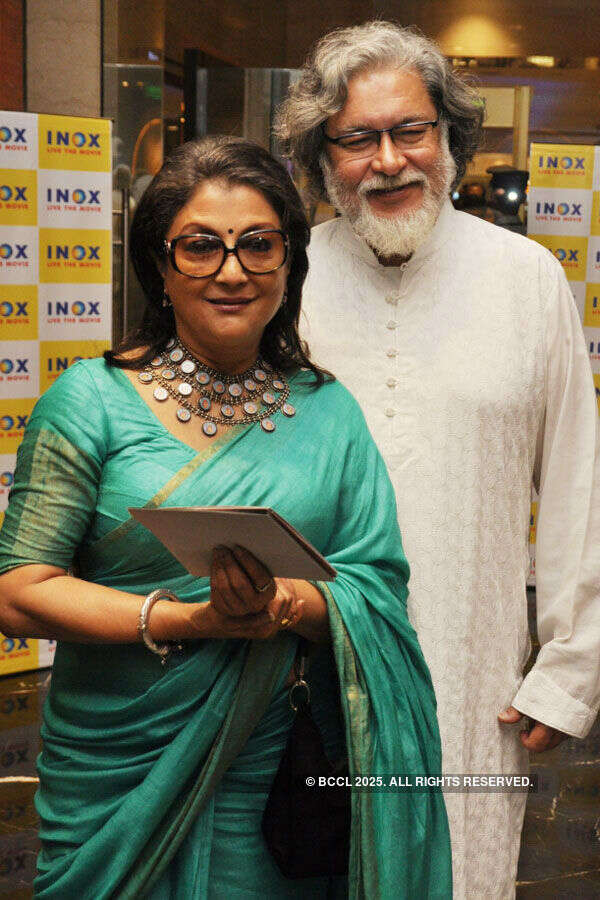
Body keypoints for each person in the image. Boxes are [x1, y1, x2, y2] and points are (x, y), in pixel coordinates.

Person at [0, 135, 451, 898]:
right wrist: (190, 620)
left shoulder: (329, 411)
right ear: (161, 266)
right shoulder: (89, 403)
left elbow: (375, 585)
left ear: (287, 264)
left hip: (269, 772)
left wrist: (284, 603)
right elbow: (19, 590)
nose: (233, 270)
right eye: (201, 247)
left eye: (259, 245)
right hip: (118, 777)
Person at [276, 20, 600, 900]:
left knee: (458, 874)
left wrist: (571, 668)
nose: (388, 161)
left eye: (410, 131)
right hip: (297, 672)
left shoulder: (527, 278)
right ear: (320, 154)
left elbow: (578, 480)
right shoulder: (284, 278)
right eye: (357, 139)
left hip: (471, 671)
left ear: (450, 137)